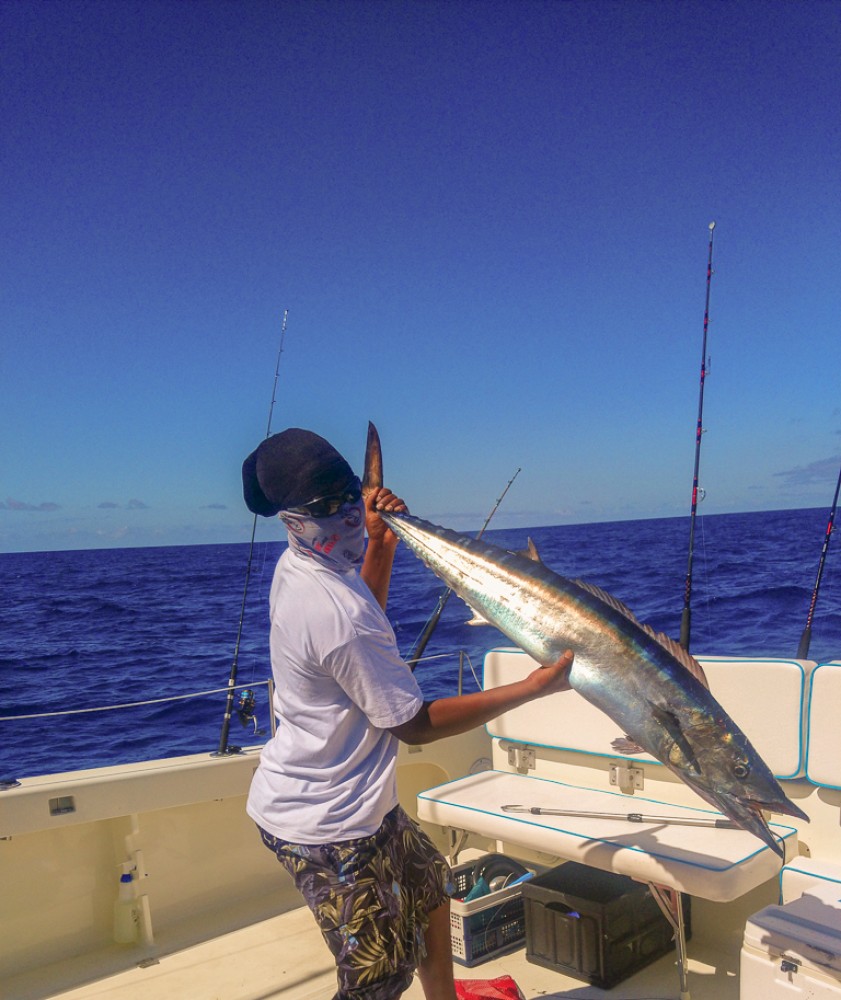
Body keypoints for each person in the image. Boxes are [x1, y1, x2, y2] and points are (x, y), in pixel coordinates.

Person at [241, 427, 573, 1000]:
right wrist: (534, 687)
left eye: (350, 494)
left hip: (358, 803)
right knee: (378, 974)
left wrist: (383, 542)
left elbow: (362, 608)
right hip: (322, 822)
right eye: (327, 509)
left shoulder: (304, 567)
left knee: (429, 888)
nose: (346, 513)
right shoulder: (331, 610)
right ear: (290, 518)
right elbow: (412, 724)